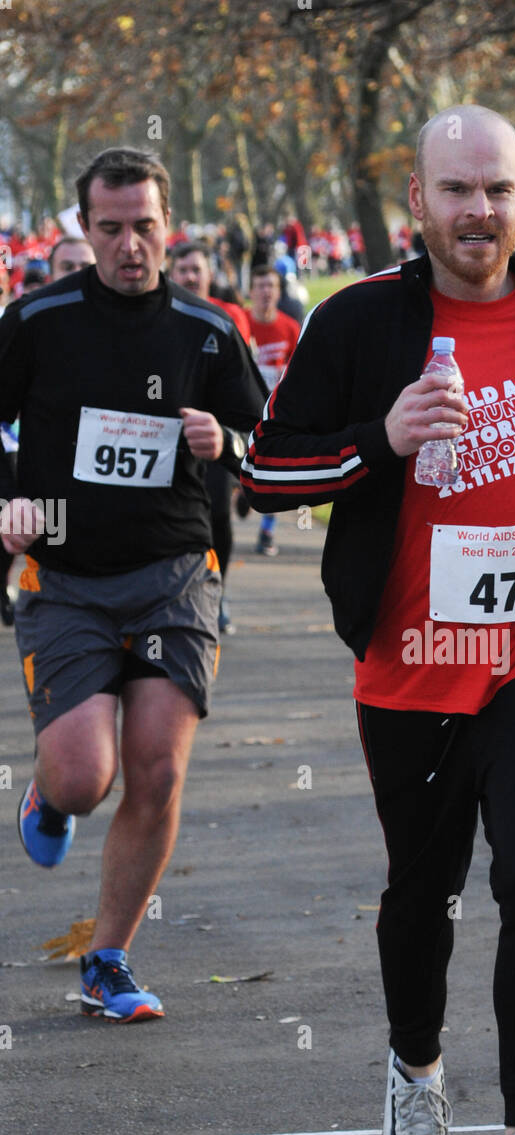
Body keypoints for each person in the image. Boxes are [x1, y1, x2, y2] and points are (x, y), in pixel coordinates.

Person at [242, 105, 515, 1135]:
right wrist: (382, 441)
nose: (478, 211)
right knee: (425, 890)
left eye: (497, 190)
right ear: (417, 203)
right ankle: (415, 1070)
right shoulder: (358, 324)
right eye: (456, 191)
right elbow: (267, 474)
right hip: (408, 659)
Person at [0, 146, 265, 1021]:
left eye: (144, 226)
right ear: (84, 228)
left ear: (168, 223)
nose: (128, 246)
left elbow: (274, 445)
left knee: (155, 772)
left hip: (175, 574)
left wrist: (224, 443)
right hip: (66, 577)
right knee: (86, 779)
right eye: (108, 229)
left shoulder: (208, 328)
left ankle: (108, 959)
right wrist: (9, 503)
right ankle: (49, 789)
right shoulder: (36, 321)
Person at [169, 241, 252, 632]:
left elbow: (243, 381)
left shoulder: (229, 317)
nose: (189, 276)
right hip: (171, 440)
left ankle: (217, 594)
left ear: (209, 274)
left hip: (217, 439)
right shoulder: (163, 317)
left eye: (196, 269)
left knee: (218, 516)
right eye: (182, 269)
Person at [245, 265, 300, 555]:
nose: (266, 292)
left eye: (271, 286)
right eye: (260, 286)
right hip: (242, 410)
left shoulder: (290, 328)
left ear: (278, 292)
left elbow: (299, 372)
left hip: (274, 414)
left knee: (271, 471)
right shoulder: (239, 323)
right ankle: (239, 495)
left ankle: (267, 531)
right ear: (251, 292)